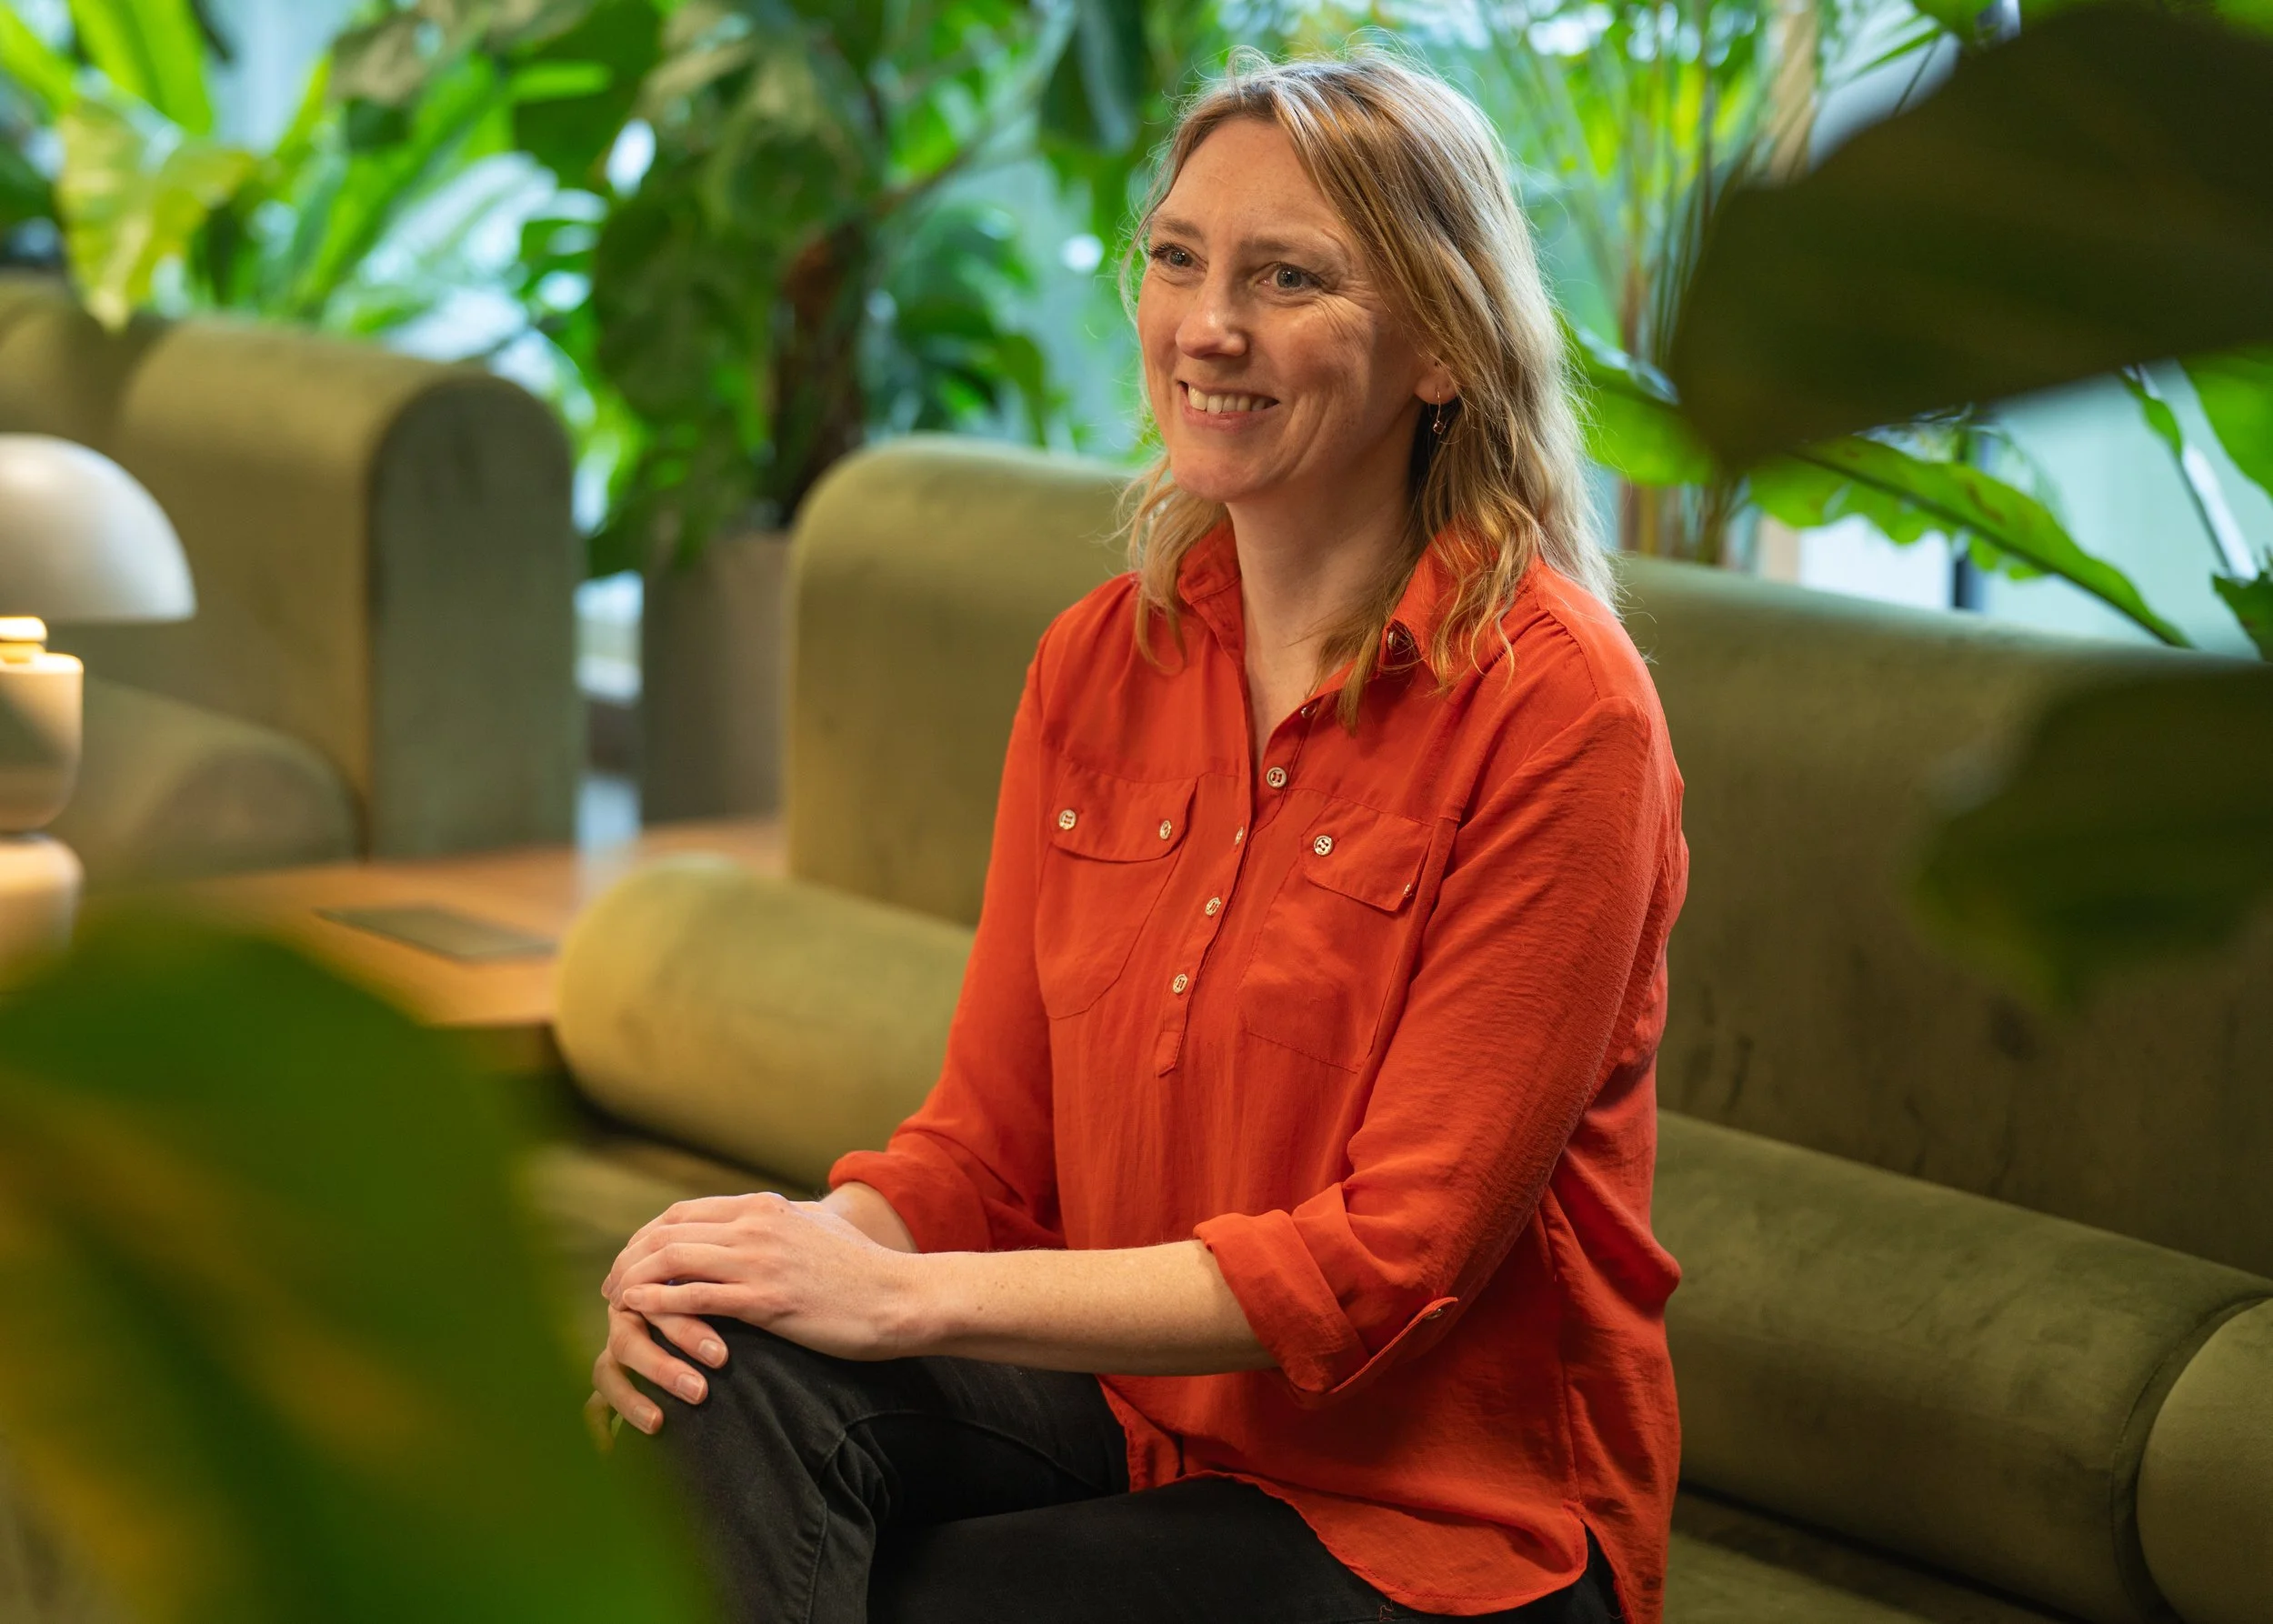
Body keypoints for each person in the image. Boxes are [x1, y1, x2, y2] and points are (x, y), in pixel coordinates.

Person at [590, 45, 1687, 1624]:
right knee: (711, 1376)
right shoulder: (1105, 660)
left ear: (1443, 345)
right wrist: (759, 1262)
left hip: (1443, 1519)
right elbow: (979, 1141)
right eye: (1179, 259)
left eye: (1288, 277)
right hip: (1134, 1416)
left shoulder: (1562, 711)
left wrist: (895, 1295)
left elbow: (1391, 1258)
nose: (1208, 325)